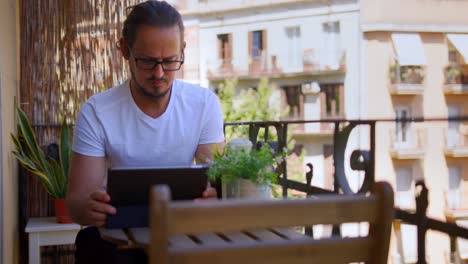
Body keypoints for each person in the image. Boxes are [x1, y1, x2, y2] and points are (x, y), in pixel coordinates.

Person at [65, 1, 225, 263]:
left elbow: (218, 179)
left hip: (179, 233)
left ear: (182, 51)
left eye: (170, 61)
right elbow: (76, 205)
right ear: (125, 50)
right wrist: (89, 208)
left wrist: (215, 194)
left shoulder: (203, 104)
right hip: (115, 240)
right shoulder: (97, 111)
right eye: (148, 62)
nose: (159, 73)